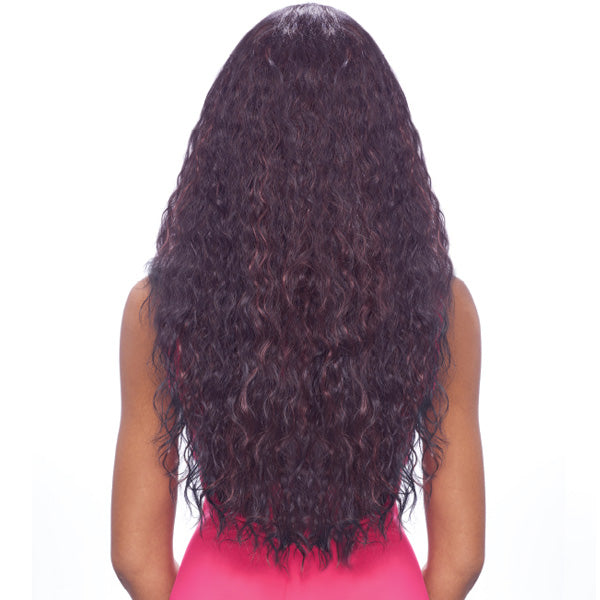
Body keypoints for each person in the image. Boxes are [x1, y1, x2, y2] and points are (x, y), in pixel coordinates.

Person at [111, 3, 485, 599]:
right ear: (379, 154)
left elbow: (135, 556)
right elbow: (462, 558)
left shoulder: (158, 310)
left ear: (229, 150)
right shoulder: (442, 309)